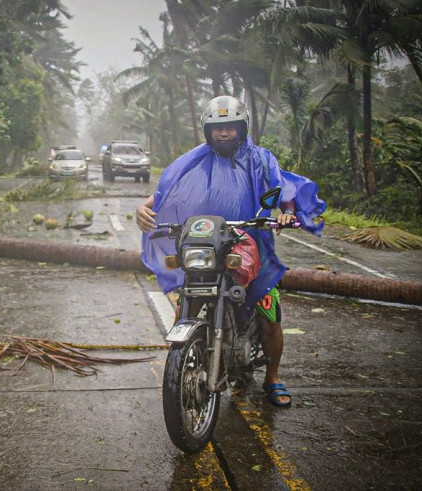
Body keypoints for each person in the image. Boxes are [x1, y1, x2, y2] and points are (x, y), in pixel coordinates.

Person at [136, 95, 326, 407]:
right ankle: (184, 357)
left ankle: (273, 377)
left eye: (230, 127)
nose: (223, 133)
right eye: (217, 128)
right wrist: (143, 208)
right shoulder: (193, 160)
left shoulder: (261, 159)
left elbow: (280, 189)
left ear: (241, 128)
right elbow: (166, 190)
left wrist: (285, 211)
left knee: (269, 312)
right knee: (188, 295)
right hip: (206, 242)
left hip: (251, 243)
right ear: (207, 131)